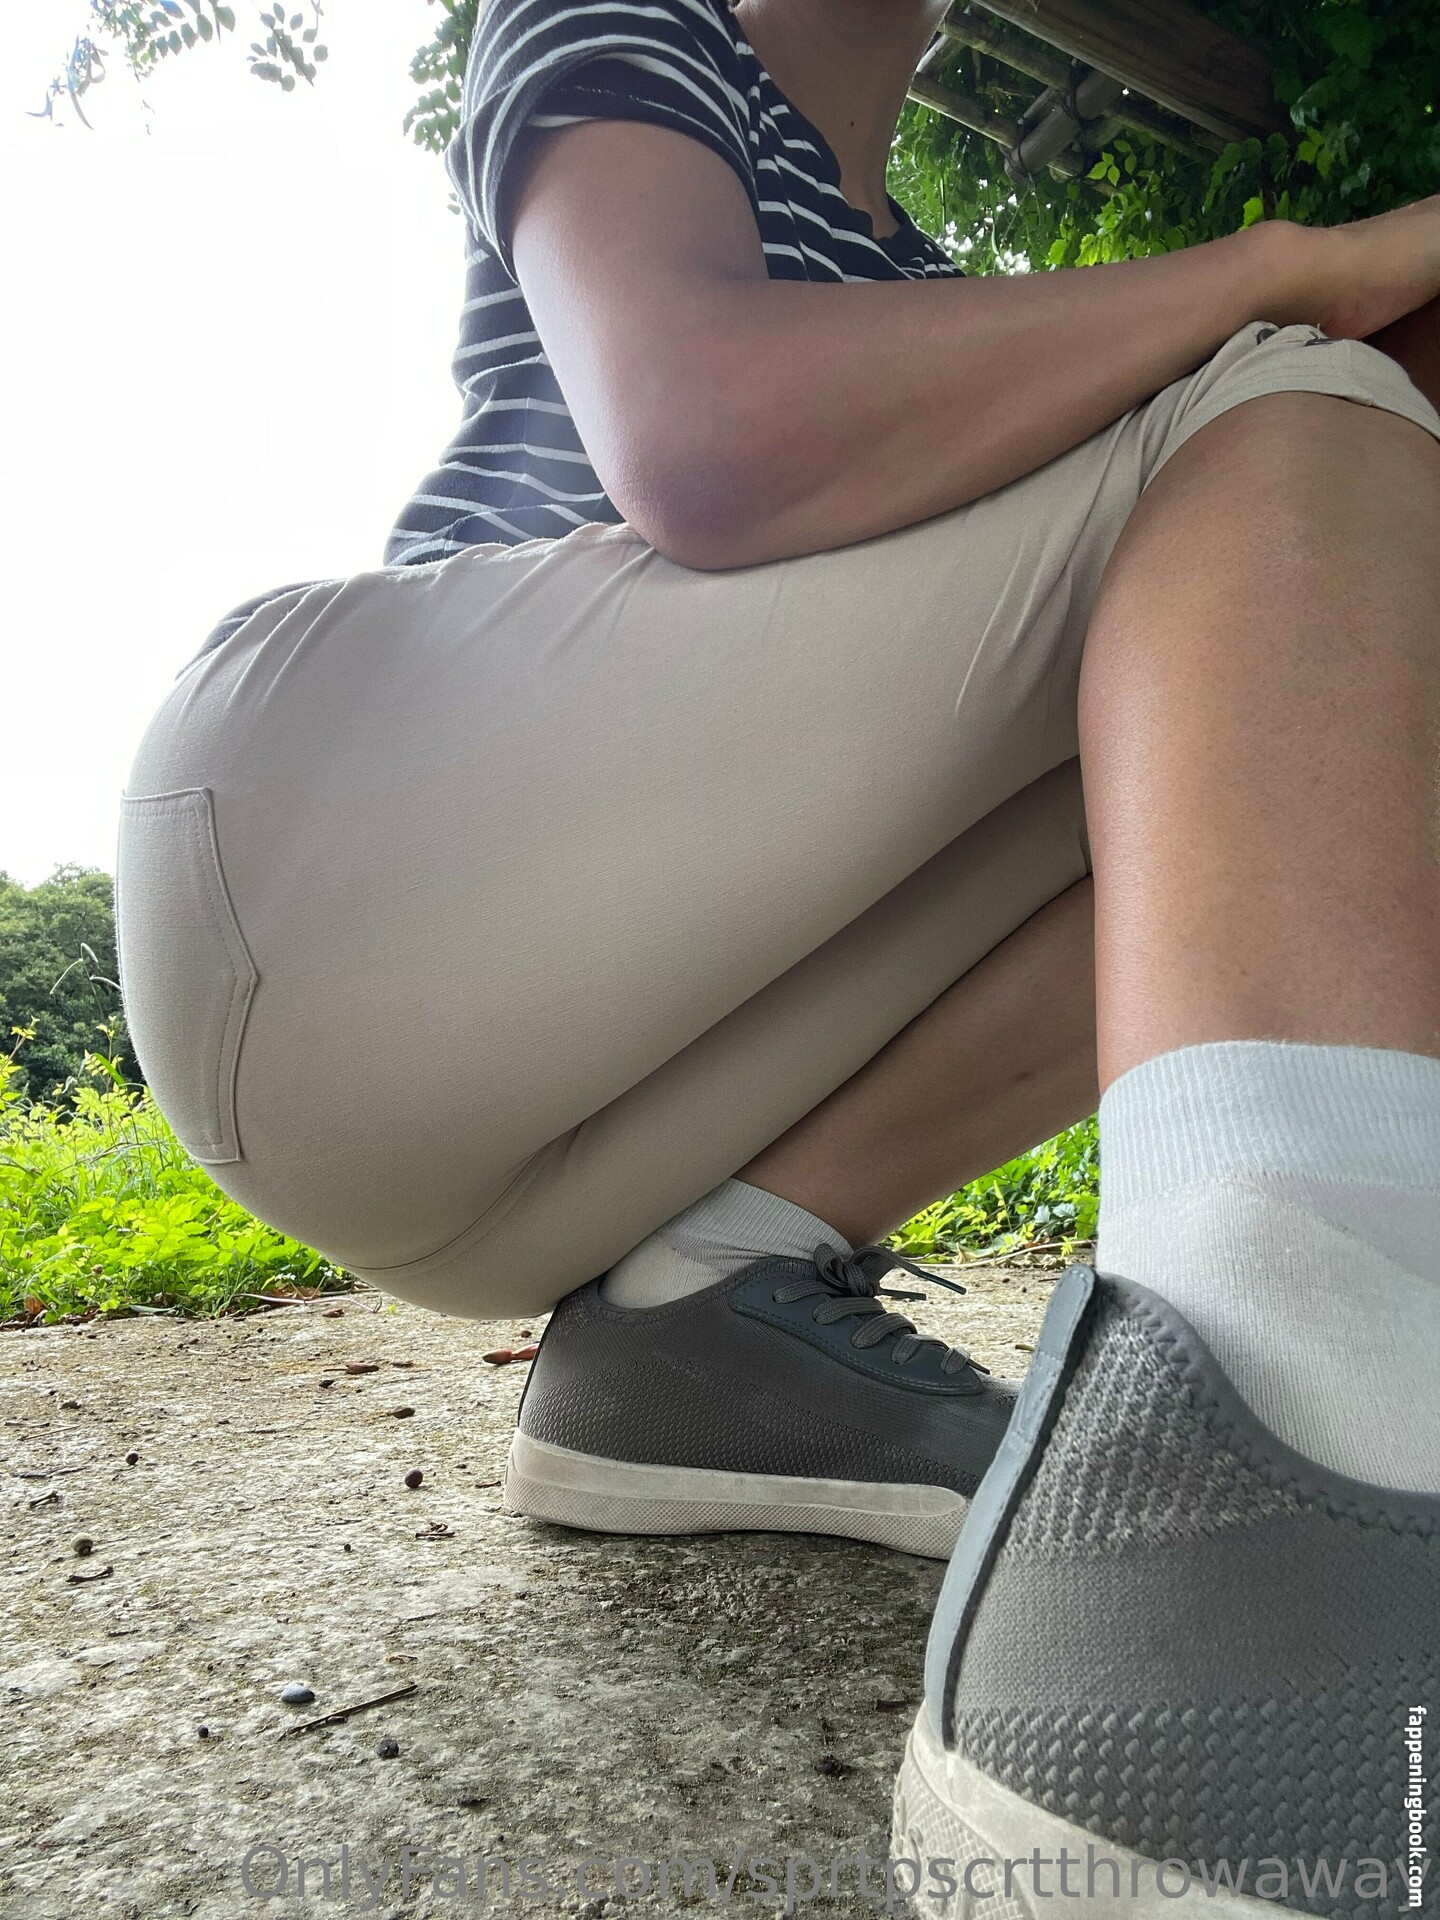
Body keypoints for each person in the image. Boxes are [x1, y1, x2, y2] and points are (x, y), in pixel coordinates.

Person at [115, 0, 1440, 1903]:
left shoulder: (933, 292)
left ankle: (705, 1300)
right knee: (1308, 403)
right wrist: (1296, 271)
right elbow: (705, 429)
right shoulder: (628, 21)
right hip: (318, 866)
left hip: (555, 1133)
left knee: (1305, 671)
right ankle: (1254, 1495)